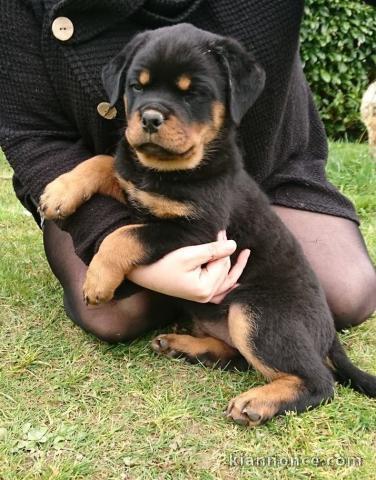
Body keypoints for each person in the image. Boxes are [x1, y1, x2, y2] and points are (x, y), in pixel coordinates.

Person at [1, 0, 375, 344]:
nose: (153, 114)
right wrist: (117, 245)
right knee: (113, 312)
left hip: (258, 174)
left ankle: (206, 296)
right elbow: (31, 131)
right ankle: (182, 289)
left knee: (347, 291)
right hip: (118, 177)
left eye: (191, 93)